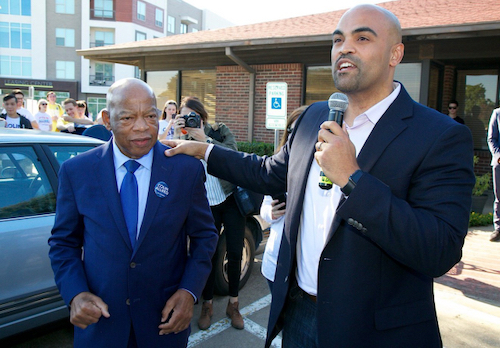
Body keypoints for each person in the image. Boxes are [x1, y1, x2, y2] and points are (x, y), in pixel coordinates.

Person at [163, 5, 475, 347]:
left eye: (362, 38)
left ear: (394, 53)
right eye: (338, 39)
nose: (345, 47)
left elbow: (439, 249)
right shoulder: (314, 116)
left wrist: (352, 179)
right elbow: (269, 173)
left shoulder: (439, 136)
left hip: (374, 332)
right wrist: (204, 151)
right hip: (298, 315)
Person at [48, 78, 218, 348]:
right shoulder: (77, 171)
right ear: (107, 119)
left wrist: (189, 292)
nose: (142, 127)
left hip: (164, 325)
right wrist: (75, 293)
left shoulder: (185, 170)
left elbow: (205, 236)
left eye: (150, 116)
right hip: (101, 327)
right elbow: (63, 243)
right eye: (127, 117)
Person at [173, 96, 246, 330]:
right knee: (207, 255)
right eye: (184, 117)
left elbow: (234, 156)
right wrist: (175, 135)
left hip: (230, 200)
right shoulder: (181, 140)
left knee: (235, 252)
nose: (189, 120)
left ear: (201, 116)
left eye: (192, 116)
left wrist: (204, 140)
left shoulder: (218, 131)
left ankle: (233, 304)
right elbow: (170, 168)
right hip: (205, 206)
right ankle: (207, 304)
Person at [260, 106, 306, 291]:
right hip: (276, 260)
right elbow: (263, 208)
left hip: (307, 267)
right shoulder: (277, 165)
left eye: (302, 131)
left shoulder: (327, 169)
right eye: (291, 131)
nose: (295, 137)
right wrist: (271, 212)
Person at [487, 107, 500, 242]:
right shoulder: (497, 114)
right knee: (499, 196)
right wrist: (498, 156)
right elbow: (492, 138)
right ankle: (498, 228)